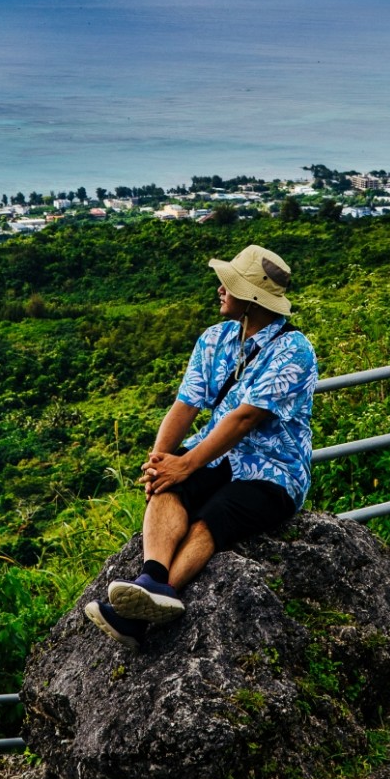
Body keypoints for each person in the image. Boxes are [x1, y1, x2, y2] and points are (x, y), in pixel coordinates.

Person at [85, 243, 318, 649]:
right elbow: (185, 405)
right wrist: (159, 462)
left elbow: (244, 418)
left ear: (250, 298)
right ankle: (152, 580)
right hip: (217, 455)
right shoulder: (215, 339)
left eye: (228, 285)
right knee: (166, 483)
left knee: (216, 514)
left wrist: (187, 464)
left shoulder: (294, 351)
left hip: (273, 469)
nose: (220, 290)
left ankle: (149, 604)